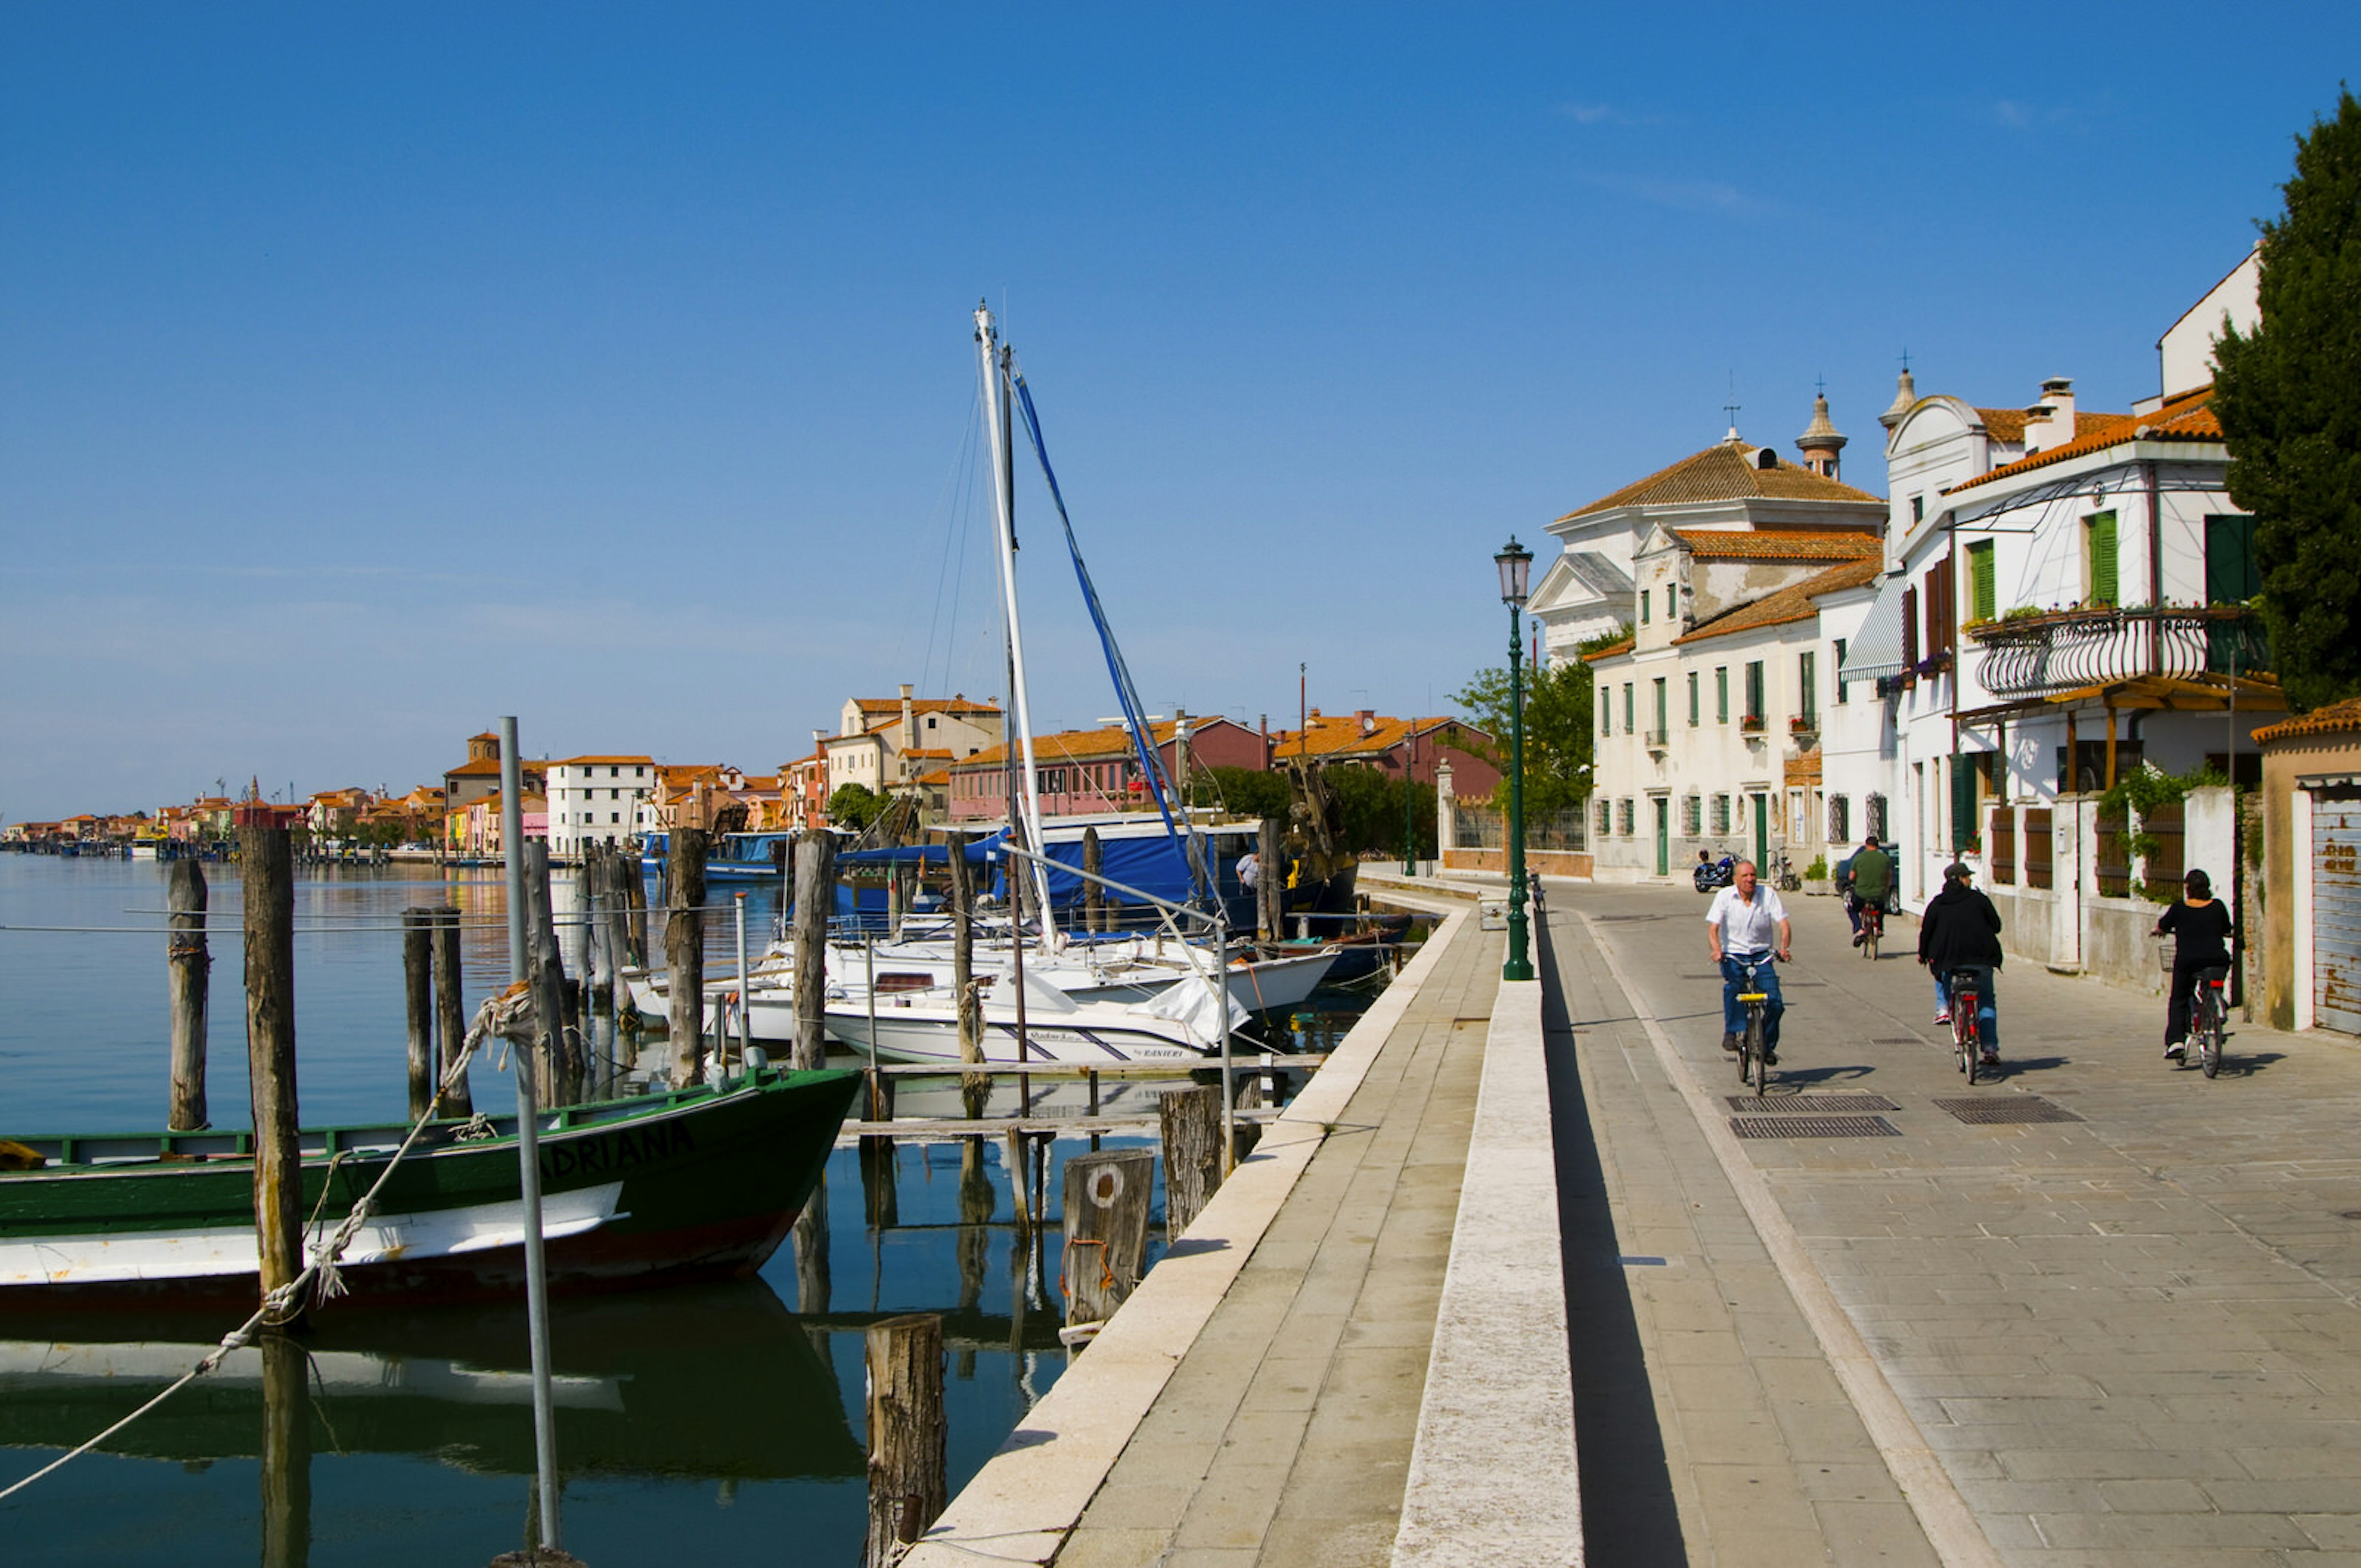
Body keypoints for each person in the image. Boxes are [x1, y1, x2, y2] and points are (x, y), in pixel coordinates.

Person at [1704, 859, 1792, 1061]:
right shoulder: (1724, 896)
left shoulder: (1767, 894)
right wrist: (1717, 950)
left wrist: (1784, 948)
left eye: (1753, 875)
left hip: (1762, 955)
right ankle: (1733, 1031)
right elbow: (1713, 929)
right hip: (1733, 955)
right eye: (1745, 876)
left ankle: (1766, 1045)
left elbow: (1783, 924)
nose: (1750, 880)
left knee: (1776, 1003)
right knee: (1734, 987)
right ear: (1736, 879)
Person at [1918, 861, 2003, 1063]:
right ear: (1961, 879)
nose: (1970, 880)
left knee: (1946, 982)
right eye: (1968, 877)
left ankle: (1948, 1012)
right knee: (1986, 1001)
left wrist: (1923, 954)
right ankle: (1990, 1048)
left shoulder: (1938, 903)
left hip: (1949, 960)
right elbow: (1997, 926)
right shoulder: (1979, 899)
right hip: (1981, 959)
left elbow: (1927, 931)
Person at [2154, 869, 2234, 1059]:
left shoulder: (2179, 908)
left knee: (2179, 999)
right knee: (2214, 979)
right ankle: (2217, 1004)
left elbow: (2162, 926)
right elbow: (2227, 929)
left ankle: (2176, 1042)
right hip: (2217, 959)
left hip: (2188, 961)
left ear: (2187, 888)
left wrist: (2158, 931)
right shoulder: (2217, 907)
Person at [1845, 833, 1892, 944]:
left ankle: (1859, 929)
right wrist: (1886, 888)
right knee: (1880, 908)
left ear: (1866, 845)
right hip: (1879, 893)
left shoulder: (1859, 858)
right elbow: (1889, 876)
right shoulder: (1885, 859)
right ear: (1877, 846)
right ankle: (1879, 929)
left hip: (1861, 893)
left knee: (1852, 908)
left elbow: (1852, 876)